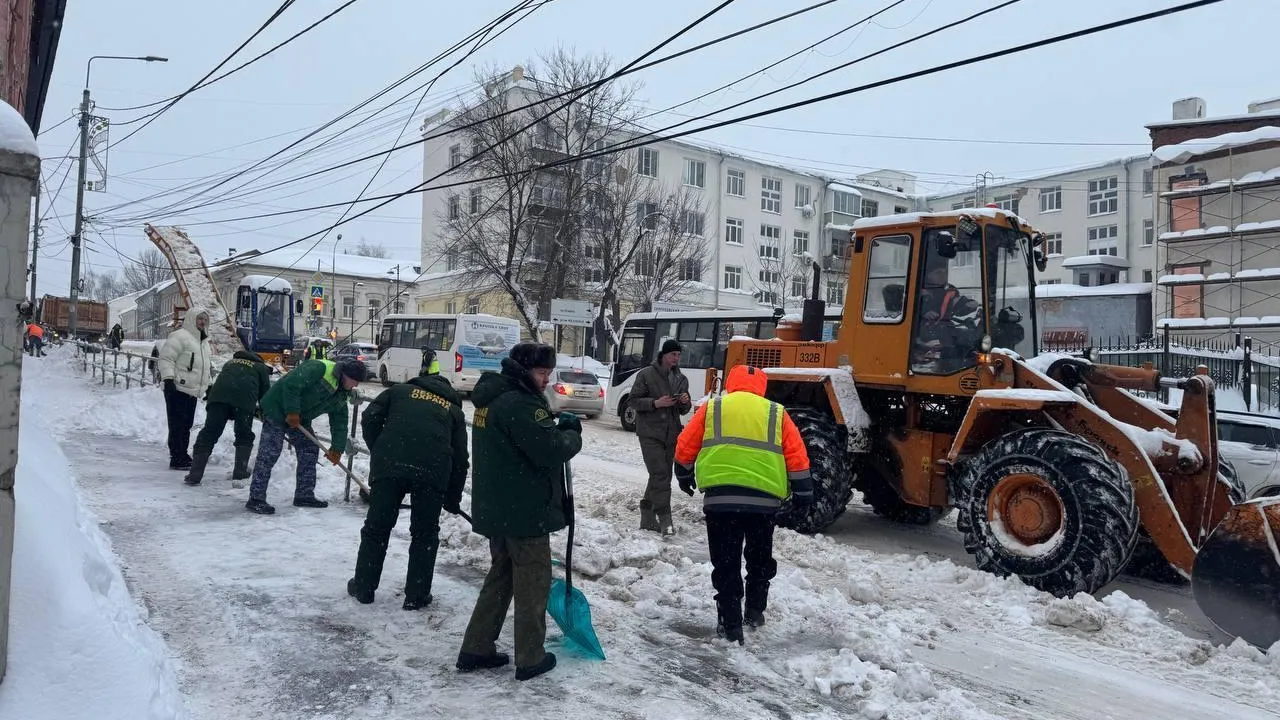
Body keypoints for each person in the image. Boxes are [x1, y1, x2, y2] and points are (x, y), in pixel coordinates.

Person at [457, 342, 581, 682]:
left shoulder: (493, 398)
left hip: (498, 508)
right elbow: (550, 449)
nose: (545, 381)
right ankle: (530, 656)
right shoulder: (519, 403)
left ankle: (477, 646)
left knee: (502, 577)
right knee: (532, 582)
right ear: (524, 370)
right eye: (541, 373)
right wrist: (570, 432)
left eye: (548, 374)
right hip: (524, 511)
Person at [673, 364, 812, 645]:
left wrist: (683, 473)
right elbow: (797, 455)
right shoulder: (776, 412)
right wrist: (803, 493)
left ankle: (730, 625)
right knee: (759, 558)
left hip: (721, 502)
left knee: (726, 562)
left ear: (731, 382)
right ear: (762, 386)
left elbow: (686, 444)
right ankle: (755, 611)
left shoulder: (714, 408)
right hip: (763, 504)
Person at [347, 348, 469, 609]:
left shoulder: (399, 392)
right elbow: (460, 460)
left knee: (377, 528)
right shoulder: (453, 411)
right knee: (425, 534)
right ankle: (416, 595)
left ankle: (364, 587)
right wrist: (452, 498)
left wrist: (379, 449)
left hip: (390, 468)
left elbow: (369, 417)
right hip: (431, 474)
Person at [246, 357, 366, 515]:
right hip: (277, 409)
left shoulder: (342, 394)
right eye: (354, 381)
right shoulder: (319, 368)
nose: (356, 385)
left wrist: (336, 449)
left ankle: (304, 494)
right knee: (269, 453)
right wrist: (292, 411)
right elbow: (291, 385)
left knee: (309, 448)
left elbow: (340, 423)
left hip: (298, 419)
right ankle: (256, 498)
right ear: (345, 375)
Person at [628, 339, 691, 535]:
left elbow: (683, 410)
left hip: (671, 434)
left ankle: (647, 515)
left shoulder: (680, 378)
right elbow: (633, 401)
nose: (676, 358)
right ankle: (665, 520)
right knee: (660, 475)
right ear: (663, 355)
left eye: (678, 355)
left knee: (660, 476)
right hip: (649, 433)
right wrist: (656, 403)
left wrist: (684, 402)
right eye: (673, 354)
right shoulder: (646, 374)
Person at [184, 349, 272, 486]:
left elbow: (225, 382)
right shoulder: (260, 367)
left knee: (209, 433)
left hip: (218, 399)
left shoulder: (230, 362)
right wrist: (266, 413)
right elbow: (266, 395)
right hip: (243, 402)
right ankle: (240, 473)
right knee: (244, 435)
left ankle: (195, 474)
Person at [157, 308, 214, 470]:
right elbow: (166, 358)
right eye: (199, 319)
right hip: (177, 387)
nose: (202, 322)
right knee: (177, 424)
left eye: (204, 319)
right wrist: (168, 379)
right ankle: (176, 457)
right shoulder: (180, 337)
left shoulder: (203, 342)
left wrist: (208, 385)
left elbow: (205, 367)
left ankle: (182, 453)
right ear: (191, 320)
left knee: (186, 424)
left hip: (192, 390)